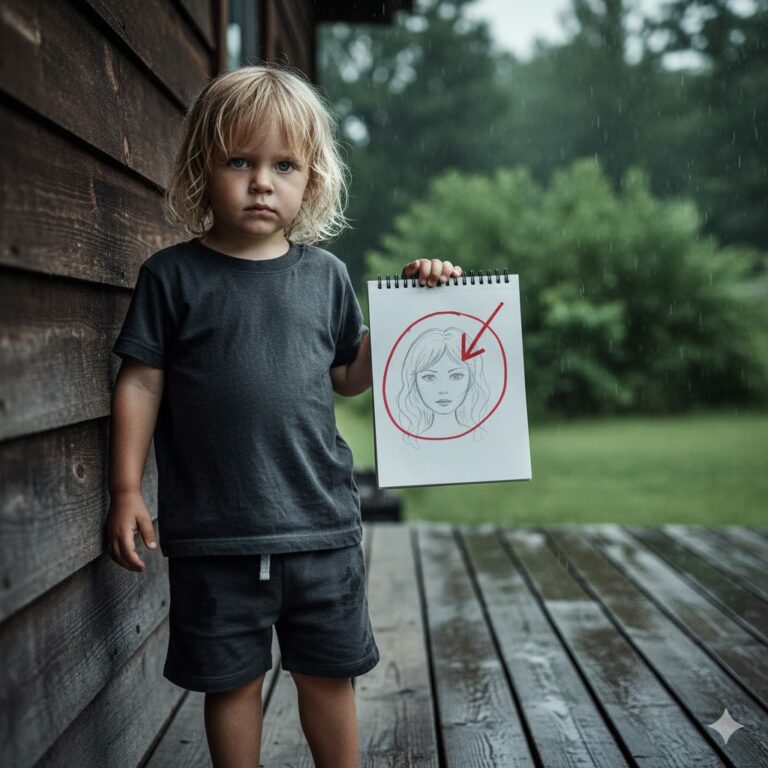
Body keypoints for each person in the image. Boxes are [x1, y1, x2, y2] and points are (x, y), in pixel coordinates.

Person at [106, 63, 462, 768]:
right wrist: (123, 490)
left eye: (284, 165)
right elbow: (141, 385)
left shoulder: (325, 277)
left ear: (313, 180)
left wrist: (415, 308)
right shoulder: (172, 278)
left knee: (329, 674)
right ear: (201, 169)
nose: (261, 180)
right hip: (216, 533)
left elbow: (352, 377)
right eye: (239, 160)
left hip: (321, 526)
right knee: (230, 681)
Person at [395, 326, 491, 444]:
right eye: (429, 377)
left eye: (456, 376)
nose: (443, 389)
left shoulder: (482, 438)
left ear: (471, 378)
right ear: (414, 381)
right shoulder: (407, 442)